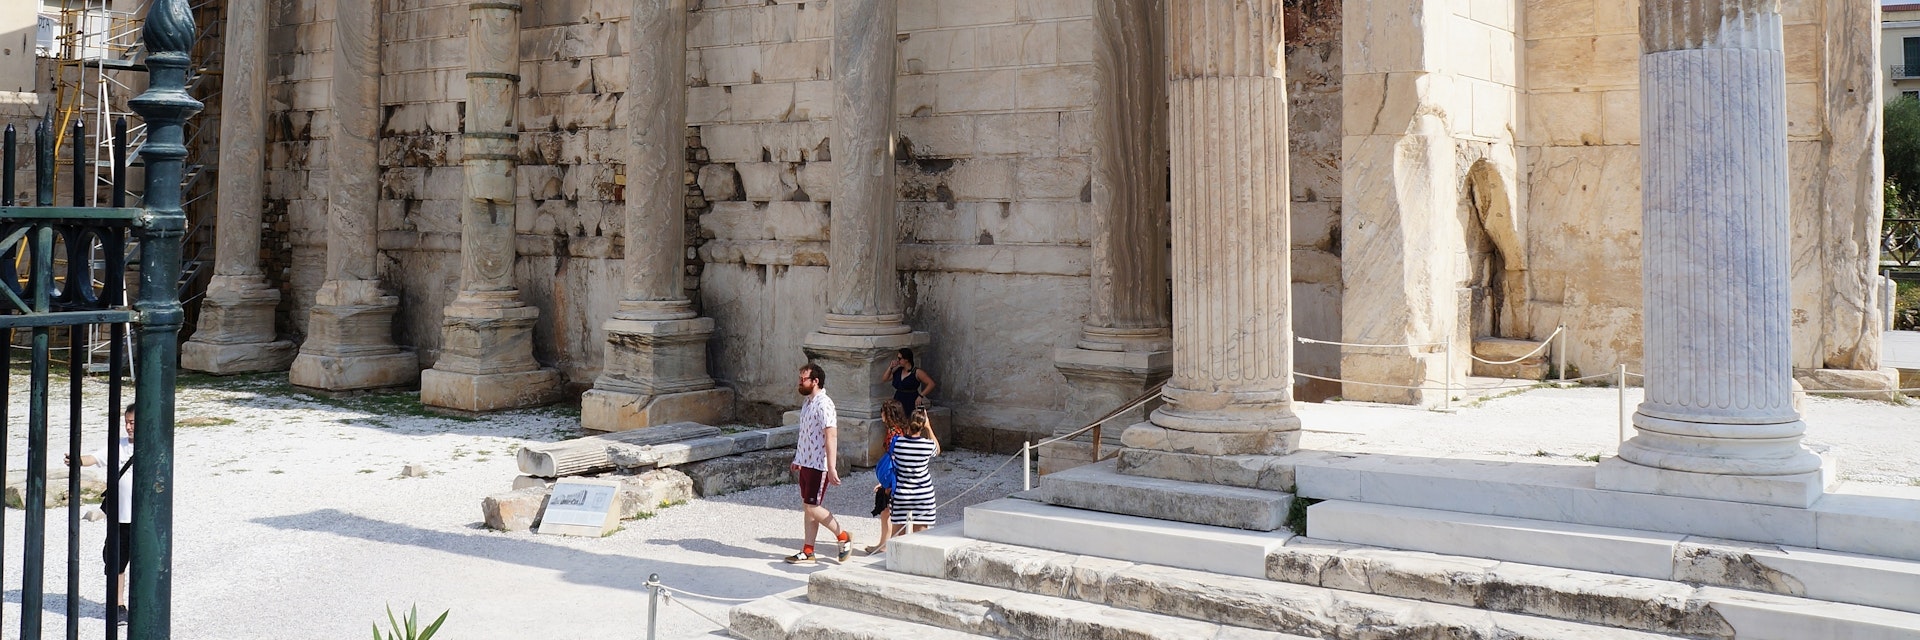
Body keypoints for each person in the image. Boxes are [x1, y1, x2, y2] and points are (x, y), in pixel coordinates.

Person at [68, 404, 134, 624]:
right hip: (119, 518)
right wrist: (76, 460)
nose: (128, 427)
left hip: (143, 520)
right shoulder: (119, 446)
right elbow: (94, 458)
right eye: (126, 422)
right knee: (116, 562)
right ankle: (118, 605)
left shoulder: (153, 447)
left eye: (133, 423)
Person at [786, 363, 853, 564]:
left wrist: (831, 467)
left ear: (815, 381)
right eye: (800, 378)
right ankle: (808, 550)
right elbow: (805, 434)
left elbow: (831, 435)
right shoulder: (808, 403)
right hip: (806, 462)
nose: (800, 382)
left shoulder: (825, 404)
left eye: (803, 379)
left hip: (818, 464)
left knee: (812, 507)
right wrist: (798, 458)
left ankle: (843, 536)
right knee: (809, 507)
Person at [887, 408, 940, 538]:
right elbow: (937, 449)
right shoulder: (927, 446)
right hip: (923, 495)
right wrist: (929, 427)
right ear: (922, 425)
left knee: (897, 538)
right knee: (919, 538)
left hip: (902, 494)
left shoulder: (897, 443)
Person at [865, 400, 909, 555]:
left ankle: (885, 545)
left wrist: (888, 482)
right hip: (895, 477)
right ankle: (884, 544)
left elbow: (895, 459)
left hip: (894, 478)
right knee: (887, 512)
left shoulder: (893, 434)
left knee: (887, 512)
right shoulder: (900, 430)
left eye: (883, 412)